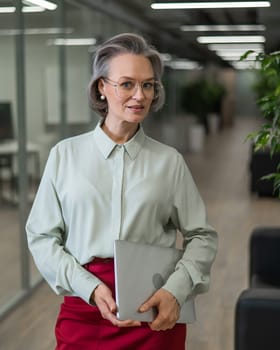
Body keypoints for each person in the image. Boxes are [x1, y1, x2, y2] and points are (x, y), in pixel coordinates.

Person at [26, 33, 218, 350]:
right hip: (85, 311)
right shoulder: (65, 155)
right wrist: (88, 287)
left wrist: (176, 290)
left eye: (148, 85)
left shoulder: (169, 162)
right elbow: (42, 236)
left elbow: (202, 235)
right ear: (102, 87)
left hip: (153, 313)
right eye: (127, 84)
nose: (139, 95)